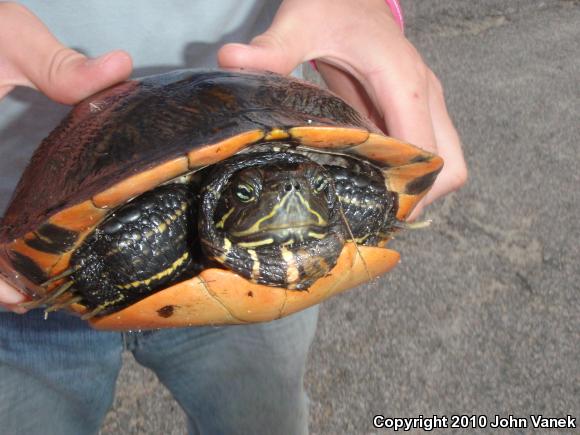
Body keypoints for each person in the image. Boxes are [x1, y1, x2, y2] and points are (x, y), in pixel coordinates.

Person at [0, 1, 467, 433]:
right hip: (21, 286)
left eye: (317, 190)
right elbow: (111, 245)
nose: (293, 195)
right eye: (246, 194)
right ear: (216, 202)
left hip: (269, 296)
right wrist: (81, 263)